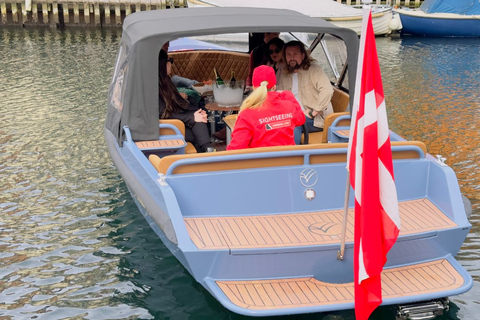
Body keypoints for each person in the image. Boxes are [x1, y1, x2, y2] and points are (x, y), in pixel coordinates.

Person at [227, 65, 305, 150]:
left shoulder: (246, 114)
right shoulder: (289, 106)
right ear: (274, 87)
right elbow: (301, 119)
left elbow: (236, 148)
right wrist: (288, 94)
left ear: (253, 87)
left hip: (260, 162)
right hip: (289, 161)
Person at [276, 40, 334, 145]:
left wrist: (313, 112)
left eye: (295, 54)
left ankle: (293, 158)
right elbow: (277, 94)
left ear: (303, 55)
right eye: (288, 54)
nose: (292, 57)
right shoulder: (283, 73)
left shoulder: (314, 70)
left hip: (317, 119)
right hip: (291, 115)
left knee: (293, 123)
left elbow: (327, 91)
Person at [158, 49, 214, 153]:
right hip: (163, 128)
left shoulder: (166, 81)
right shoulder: (153, 86)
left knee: (199, 118)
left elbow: (176, 106)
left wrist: (197, 113)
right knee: (196, 131)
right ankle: (208, 151)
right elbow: (161, 112)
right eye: (169, 60)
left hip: (175, 122)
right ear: (162, 64)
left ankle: (208, 151)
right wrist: (191, 117)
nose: (171, 63)